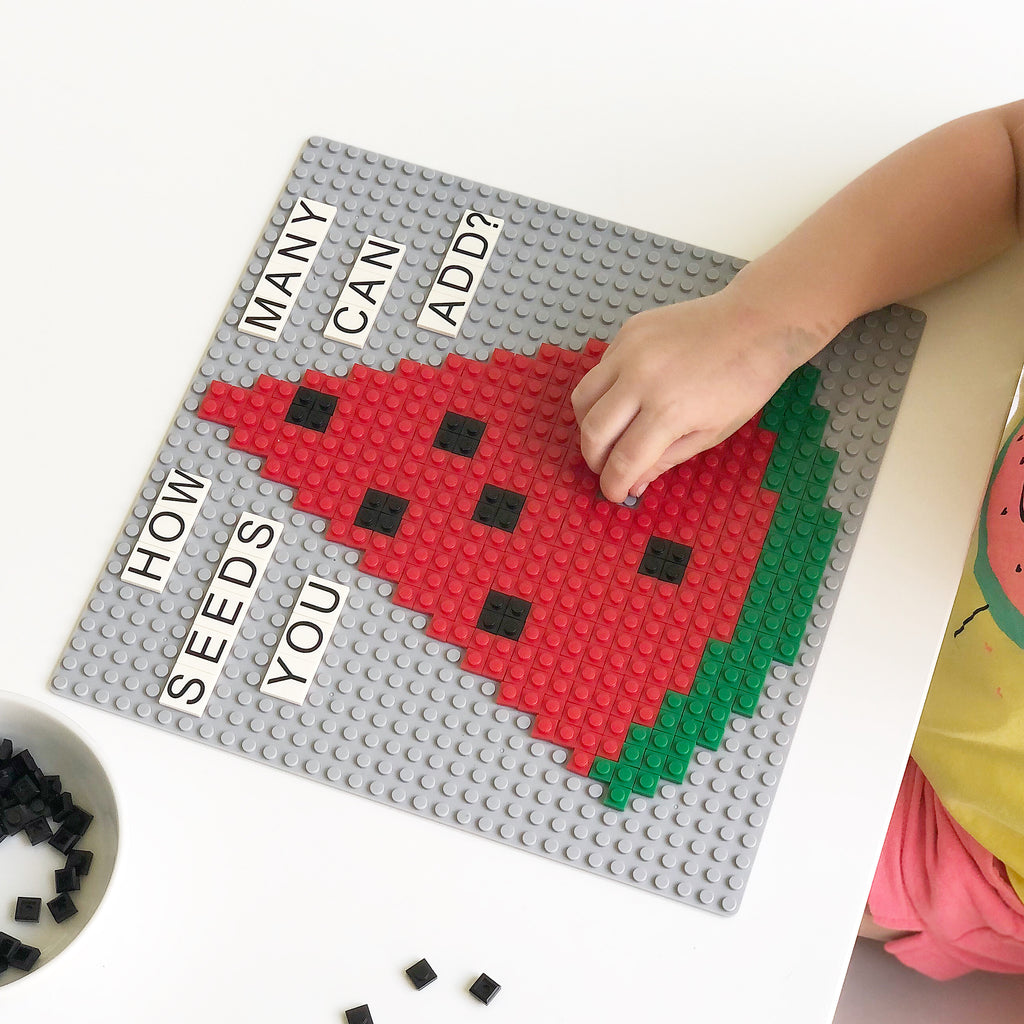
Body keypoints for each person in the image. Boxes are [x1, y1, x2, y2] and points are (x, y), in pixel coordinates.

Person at [572, 100, 1024, 980]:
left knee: (694, 849)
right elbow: (1010, 156)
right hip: (912, 542)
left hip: (968, 833)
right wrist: (757, 325)